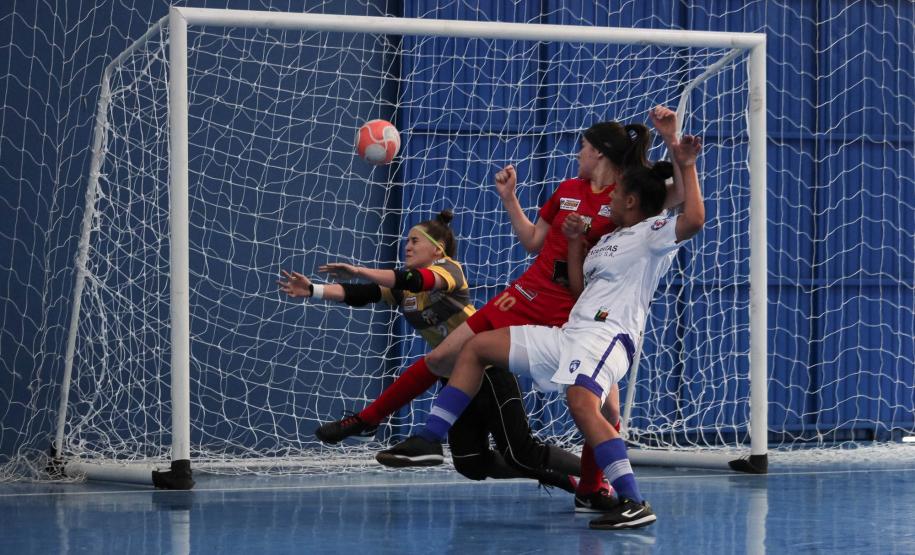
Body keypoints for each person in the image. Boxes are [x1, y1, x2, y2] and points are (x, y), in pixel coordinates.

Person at [317, 106, 685, 512]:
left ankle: (594, 488)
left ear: (599, 152)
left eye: (582, 146)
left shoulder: (628, 194)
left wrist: (676, 146)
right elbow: (532, 241)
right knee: (444, 355)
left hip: (576, 310)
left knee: (606, 408)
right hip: (528, 292)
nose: (577, 153)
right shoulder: (567, 190)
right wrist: (510, 198)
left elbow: (678, 198)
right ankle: (372, 420)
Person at [278, 210, 581, 491]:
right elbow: (361, 293)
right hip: (454, 378)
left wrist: (359, 269)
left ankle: (593, 476)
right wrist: (313, 290)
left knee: (521, 451)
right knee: (471, 464)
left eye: (414, 241)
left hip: (489, 373)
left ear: (437, 250)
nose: (407, 247)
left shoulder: (448, 270)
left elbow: (418, 279)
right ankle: (559, 479)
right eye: (406, 241)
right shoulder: (404, 290)